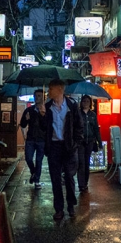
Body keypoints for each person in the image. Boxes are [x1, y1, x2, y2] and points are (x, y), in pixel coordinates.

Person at [44, 79, 83, 220]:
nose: (49, 91)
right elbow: (43, 130)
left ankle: (71, 206)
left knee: (69, 176)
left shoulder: (71, 106)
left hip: (69, 147)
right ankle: (59, 209)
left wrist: (75, 143)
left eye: (51, 88)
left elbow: (79, 126)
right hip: (54, 146)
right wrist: (42, 116)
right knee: (55, 179)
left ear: (60, 89)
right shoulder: (47, 107)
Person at [19, 89, 46, 189]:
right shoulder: (29, 110)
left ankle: (37, 180)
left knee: (39, 160)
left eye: (39, 96)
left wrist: (43, 115)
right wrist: (26, 119)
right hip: (31, 138)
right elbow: (22, 124)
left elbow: (47, 126)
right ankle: (33, 172)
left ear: (43, 97)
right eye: (36, 96)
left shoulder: (46, 110)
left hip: (41, 139)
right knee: (28, 158)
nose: (37, 98)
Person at [77, 94, 103, 193]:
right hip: (80, 142)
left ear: (90, 103)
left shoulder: (93, 115)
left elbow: (96, 129)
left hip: (90, 142)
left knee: (86, 163)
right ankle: (81, 184)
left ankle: (85, 183)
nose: (85, 103)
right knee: (81, 163)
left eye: (87, 102)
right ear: (81, 103)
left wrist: (99, 142)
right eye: (84, 101)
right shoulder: (78, 114)